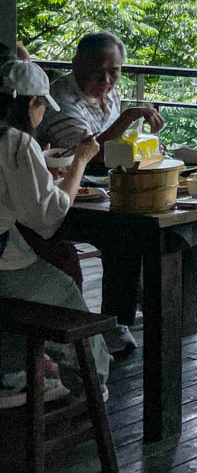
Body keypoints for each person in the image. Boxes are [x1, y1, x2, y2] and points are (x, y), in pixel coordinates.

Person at [37, 32, 163, 358]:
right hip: (57, 194)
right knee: (123, 235)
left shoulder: (108, 91)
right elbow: (89, 152)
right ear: (77, 64)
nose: (108, 80)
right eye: (99, 71)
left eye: (115, 72)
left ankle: (116, 320)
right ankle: (111, 324)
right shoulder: (57, 99)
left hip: (101, 188)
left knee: (131, 230)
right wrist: (128, 117)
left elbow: (113, 149)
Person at [0, 60, 111, 408]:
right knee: (63, 292)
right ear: (33, 104)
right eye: (43, 104)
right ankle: (92, 383)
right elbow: (47, 217)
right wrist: (80, 161)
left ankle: (13, 375)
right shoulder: (15, 143)